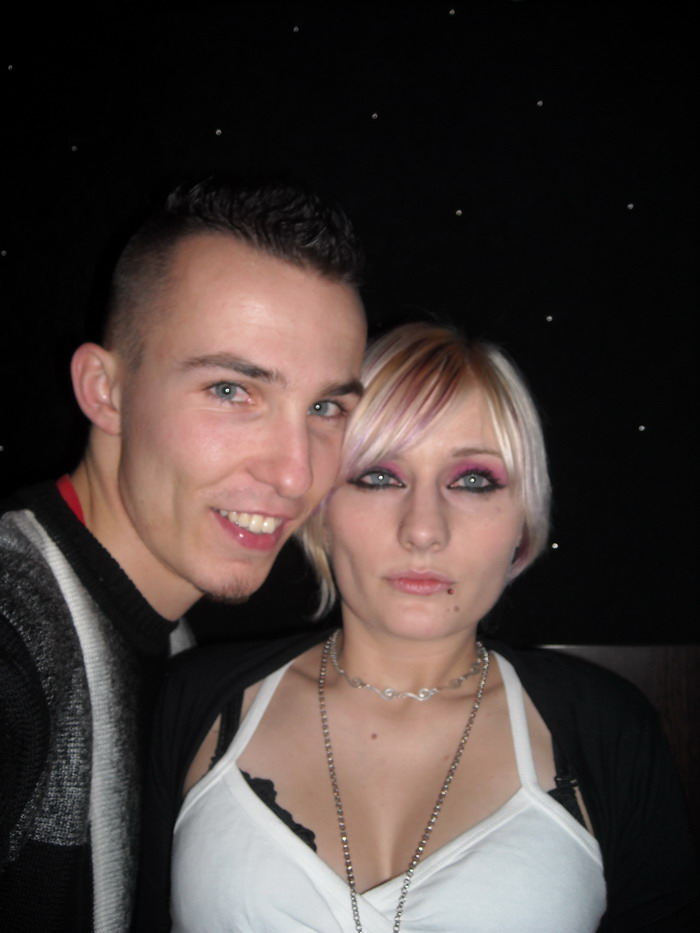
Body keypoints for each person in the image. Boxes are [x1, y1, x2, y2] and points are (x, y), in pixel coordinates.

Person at [134, 322, 697, 932]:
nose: (423, 529)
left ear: (523, 522)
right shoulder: (192, 700)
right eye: (380, 477)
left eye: (473, 481)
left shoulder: (609, 728)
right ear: (322, 513)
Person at [0, 178, 367, 932]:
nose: (295, 473)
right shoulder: (16, 631)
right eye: (232, 391)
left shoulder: (174, 645)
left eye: (325, 407)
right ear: (105, 390)